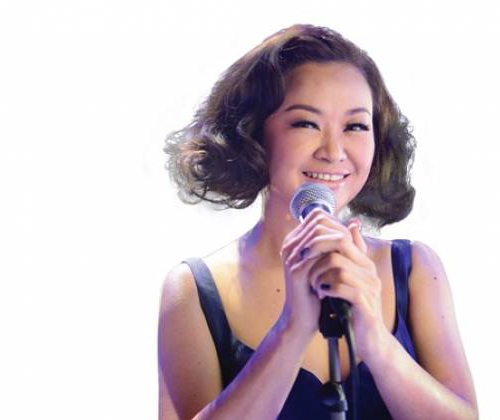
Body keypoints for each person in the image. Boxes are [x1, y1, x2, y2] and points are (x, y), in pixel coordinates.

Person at [158, 24, 478, 420]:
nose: (334, 151)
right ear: (253, 136)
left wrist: (376, 340)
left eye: (355, 126)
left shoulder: (415, 269)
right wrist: (291, 330)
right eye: (305, 123)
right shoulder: (194, 289)